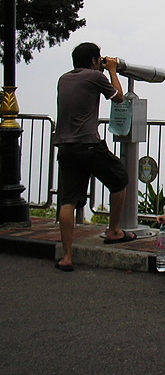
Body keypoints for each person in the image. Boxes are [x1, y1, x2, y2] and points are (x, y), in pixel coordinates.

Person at [54, 42, 137, 272]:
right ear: (93, 61)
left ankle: (67, 257)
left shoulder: (64, 79)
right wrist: (110, 69)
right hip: (88, 144)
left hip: (65, 146)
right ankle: (114, 231)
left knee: (68, 200)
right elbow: (119, 97)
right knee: (120, 178)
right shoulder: (95, 77)